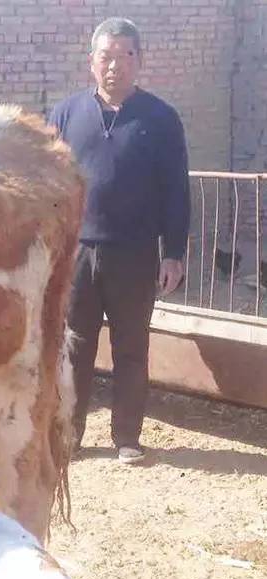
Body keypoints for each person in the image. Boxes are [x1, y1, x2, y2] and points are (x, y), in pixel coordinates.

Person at [48, 17, 190, 463]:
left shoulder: (161, 119)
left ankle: (127, 436)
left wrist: (175, 253)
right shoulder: (66, 115)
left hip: (135, 253)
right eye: (106, 56)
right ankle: (69, 434)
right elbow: (50, 187)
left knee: (132, 347)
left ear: (139, 61)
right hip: (77, 254)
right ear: (92, 62)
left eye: (126, 56)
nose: (115, 66)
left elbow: (176, 190)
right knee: (74, 348)